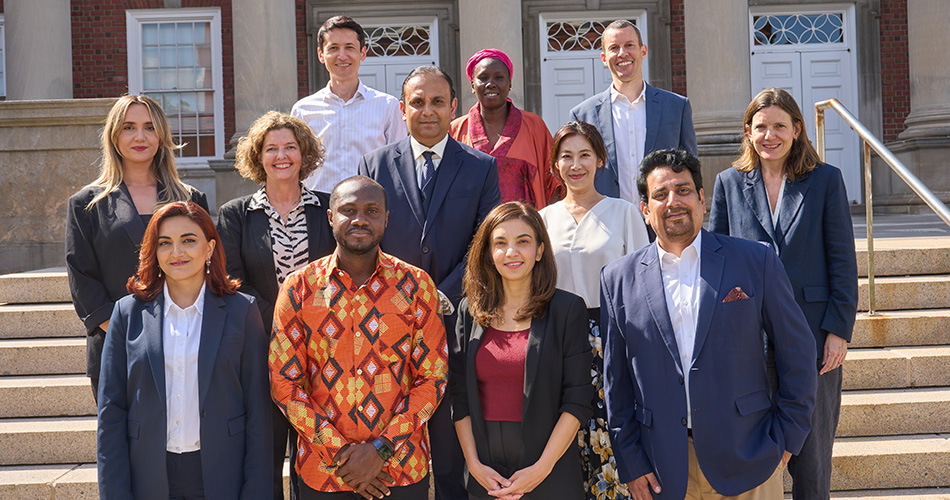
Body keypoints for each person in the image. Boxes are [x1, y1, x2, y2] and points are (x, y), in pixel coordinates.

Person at [600, 149, 818, 500]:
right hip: (663, 470)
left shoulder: (754, 259)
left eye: (684, 190)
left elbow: (799, 352)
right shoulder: (618, 279)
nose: (674, 201)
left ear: (702, 199)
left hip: (750, 458)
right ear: (644, 210)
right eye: (660, 194)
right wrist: (631, 461)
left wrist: (788, 438)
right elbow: (617, 382)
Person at [358, 65, 500, 500]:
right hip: (389, 326)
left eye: (438, 101)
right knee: (395, 441)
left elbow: (486, 240)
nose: (427, 111)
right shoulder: (375, 164)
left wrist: (441, 294)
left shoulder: (481, 167)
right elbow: (365, 238)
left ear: (454, 107)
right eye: (417, 102)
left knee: (454, 446)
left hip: (458, 322)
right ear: (402, 109)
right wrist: (402, 295)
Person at [709, 88, 858, 500]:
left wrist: (839, 331)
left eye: (779, 126)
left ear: (796, 129)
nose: (769, 135)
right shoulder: (728, 183)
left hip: (812, 341)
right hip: (748, 343)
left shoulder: (825, 180)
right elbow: (717, 264)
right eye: (760, 127)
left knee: (811, 466)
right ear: (748, 132)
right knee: (757, 464)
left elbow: (843, 261)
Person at [270, 176, 447, 500]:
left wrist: (381, 449)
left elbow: (433, 378)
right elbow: (284, 383)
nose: (360, 219)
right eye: (348, 210)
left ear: (386, 219)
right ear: (330, 216)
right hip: (324, 473)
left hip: (400, 471)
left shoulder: (417, 286)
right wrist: (341, 455)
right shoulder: (299, 288)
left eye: (371, 210)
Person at [97, 201, 272, 500]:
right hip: (148, 476)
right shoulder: (127, 314)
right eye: (165, 243)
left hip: (222, 475)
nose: (176, 252)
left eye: (188, 240)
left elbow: (258, 413)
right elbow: (111, 411)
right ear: (155, 252)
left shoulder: (242, 311)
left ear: (209, 248)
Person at [217, 111, 336, 500]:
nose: (281, 156)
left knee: (316, 452)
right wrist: (285, 323)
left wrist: (311, 325)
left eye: (290, 147)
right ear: (258, 156)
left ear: (304, 155)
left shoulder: (328, 208)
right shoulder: (235, 215)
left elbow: (340, 274)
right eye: (272, 148)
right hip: (262, 353)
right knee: (265, 456)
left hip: (324, 353)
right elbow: (232, 281)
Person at [66, 94, 208, 400]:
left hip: (185, 343)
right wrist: (130, 335)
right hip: (115, 345)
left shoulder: (191, 200)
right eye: (129, 127)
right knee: (121, 445)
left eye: (149, 127)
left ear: (162, 136)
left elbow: (206, 270)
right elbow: (83, 281)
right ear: (115, 135)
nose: (140, 136)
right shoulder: (86, 205)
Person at [452, 201, 593, 500]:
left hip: (549, 475)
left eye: (523, 241)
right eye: (500, 243)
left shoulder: (568, 310)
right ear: (489, 253)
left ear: (540, 250)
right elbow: (459, 398)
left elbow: (577, 400)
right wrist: (474, 465)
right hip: (485, 477)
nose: (511, 252)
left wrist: (541, 469)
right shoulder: (469, 311)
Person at [538, 121, 648, 500]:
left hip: (609, 335)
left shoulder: (624, 212)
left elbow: (640, 284)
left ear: (600, 160)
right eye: (566, 156)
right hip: (555, 336)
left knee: (608, 435)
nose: (576, 164)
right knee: (562, 434)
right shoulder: (542, 219)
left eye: (585, 154)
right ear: (555, 165)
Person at [569, 20, 697, 204]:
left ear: (643, 51)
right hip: (606, 222)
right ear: (604, 58)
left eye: (629, 45)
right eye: (614, 48)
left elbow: (691, 169)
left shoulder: (677, 106)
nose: (622, 53)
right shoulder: (582, 115)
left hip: (662, 221)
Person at [291, 15, 406, 192]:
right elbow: (295, 166)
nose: (342, 56)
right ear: (321, 55)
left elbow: (400, 165)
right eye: (334, 48)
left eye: (349, 47)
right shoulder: (303, 110)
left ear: (363, 53)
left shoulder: (387, 106)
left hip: (370, 208)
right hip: (317, 208)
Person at [450, 49, 560, 207]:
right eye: (483, 78)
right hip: (471, 230)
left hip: (526, 228)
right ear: (473, 85)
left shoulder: (535, 126)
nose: (490, 84)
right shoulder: (455, 130)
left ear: (510, 83)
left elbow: (554, 182)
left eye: (499, 77)